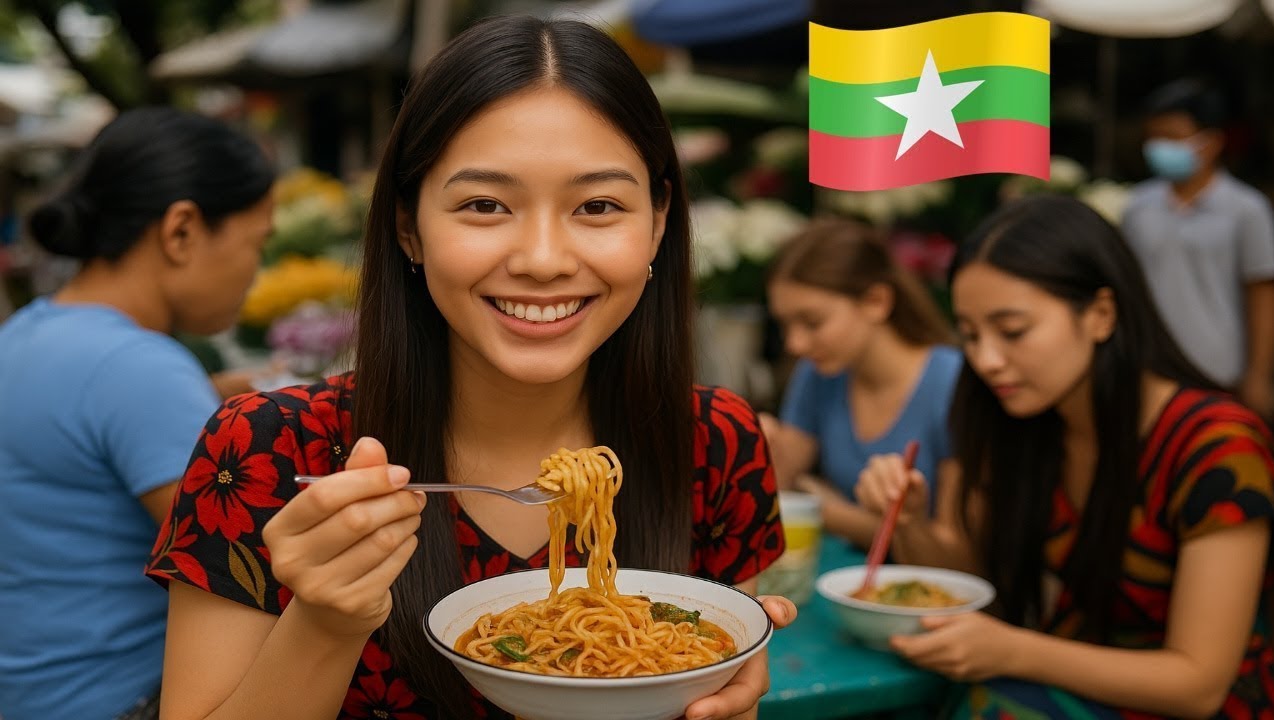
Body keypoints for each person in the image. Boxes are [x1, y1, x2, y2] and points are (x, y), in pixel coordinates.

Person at [145, 16, 793, 720]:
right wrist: (326, 620)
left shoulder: (714, 441)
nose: (543, 259)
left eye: (598, 206)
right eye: (485, 205)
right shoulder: (267, 450)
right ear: (407, 226)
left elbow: (717, 690)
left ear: (659, 223)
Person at [858, 194, 1274, 717]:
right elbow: (976, 585)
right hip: (1060, 681)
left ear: (1101, 314)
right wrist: (911, 521)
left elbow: (1198, 684)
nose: (987, 360)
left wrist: (1014, 650)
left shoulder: (1218, 446)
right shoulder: (1029, 423)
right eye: (969, 335)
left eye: (1013, 331)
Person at [0, 107, 275, 720]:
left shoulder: (30, 330)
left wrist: (213, 391)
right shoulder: (140, 367)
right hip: (121, 698)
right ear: (181, 231)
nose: (255, 272)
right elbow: (252, 564)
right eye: (257, 243)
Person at [760, 218, 961, 550]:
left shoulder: (950, 383)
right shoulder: (817, 372)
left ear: (876, 302)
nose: (794, 344)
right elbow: (777, 491)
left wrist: (817, 503)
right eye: (785, 325)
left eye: (812, 322)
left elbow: (954, 551)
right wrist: (758, 449)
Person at [1122, 78, 1274, 422]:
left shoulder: (1247, 210)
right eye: (1155, 137)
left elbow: (1263, 294)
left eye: (1173, 137)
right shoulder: (1138, 206)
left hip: (1220, 375)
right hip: (1152, 373)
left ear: (1211, 143)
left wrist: (1258, 375)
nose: (1160, 147)